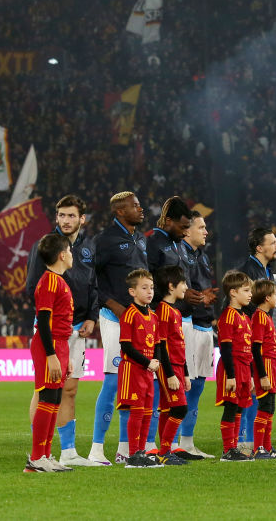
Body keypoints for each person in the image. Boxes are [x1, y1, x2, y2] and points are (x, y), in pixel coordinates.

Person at [24, 194, 100, 468]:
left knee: (65, 392)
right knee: (44, 392)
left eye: (71, 215)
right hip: (52, 334)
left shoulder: (89, 247)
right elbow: (34, 290)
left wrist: (92, 315)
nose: (66, 220)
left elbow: (94, 284)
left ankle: (62, 452)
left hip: (76, 329)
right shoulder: (47, 250)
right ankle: (37, 452)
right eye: (62, 215)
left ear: (82, 218)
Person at [89, 191, 147, 465]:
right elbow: (91, 278)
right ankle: (96, 449)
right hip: (115, 319)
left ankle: (125, 447)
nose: (141, 209)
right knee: (113, 381)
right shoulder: (105, 241)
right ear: (120, 212)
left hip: (138, 320)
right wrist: (112, 303)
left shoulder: (138, 238)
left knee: (134, 383)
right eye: (135, 206)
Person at [25, 233, 75, 473]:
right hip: (50, 345)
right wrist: (51, 354)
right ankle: (36, 459)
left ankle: (45, 455)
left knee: (55, 399)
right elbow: (43, 322)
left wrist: (66, 357)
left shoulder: (59, 281)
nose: (72, 255)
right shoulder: (50, 282)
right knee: (47, 398)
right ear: (62, 255)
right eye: (70, 251)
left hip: (60, 344)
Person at [177, 210, 217, 460]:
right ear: (187, 230)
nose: (205, 232)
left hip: (204, 326)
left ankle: (188, 442)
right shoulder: (178, 253)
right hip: (187, 324)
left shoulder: (201, 255)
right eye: (201, 227)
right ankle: (173, 443)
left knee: (198, 386)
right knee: (184, 384)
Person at [235, 226, 276, 454]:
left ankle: (253, 440)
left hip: (258, 334)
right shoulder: (246, 272)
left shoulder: (267, 270)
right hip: (250, 339)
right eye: (272, 243)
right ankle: (244, 440)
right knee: (251, 390)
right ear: (259, 248)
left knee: (257, 392)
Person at [116, 269, 163, 468]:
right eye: (144, 288)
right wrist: (147, 363)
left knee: (146, 412)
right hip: (133, 370)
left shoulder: (153, 315)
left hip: (147, 371)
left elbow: (158, 344)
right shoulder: (129, 314)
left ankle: (141, 452)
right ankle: (133, 454)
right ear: (132, 292)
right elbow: (126, 345)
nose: (149, 291)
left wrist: (157, 362)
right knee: (136, 412)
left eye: (151, 287)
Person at [215, 270, 256, 462]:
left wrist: (250, 375)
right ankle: (227, 450)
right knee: (231, 407)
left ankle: (234, 447)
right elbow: (225, 348)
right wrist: (231, 376)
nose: (250, 294)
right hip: (231, 369)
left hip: (243, 368)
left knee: (239, 407)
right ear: (233, 292)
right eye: (246, 290)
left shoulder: (245, 318)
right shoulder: (228, 316)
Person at [153, 265, 190, 466]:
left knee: (168, 409)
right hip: (169, 368)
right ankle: (165, 451)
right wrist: (170, 374)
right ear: (171, 286)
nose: (185, 287)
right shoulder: (163, 311)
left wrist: (184, 373)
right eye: (182, 283)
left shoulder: (174, 311)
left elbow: (179, 345)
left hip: (177, 367)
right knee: (180, 409)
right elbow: (162, 345)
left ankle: (164, 451)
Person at [250, 279, 276, 459]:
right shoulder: (258, 317)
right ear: (267, 297)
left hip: (271, 366)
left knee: (270, 407)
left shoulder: (266, 316)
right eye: (275, 294)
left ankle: (267, 447)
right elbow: (255, 349)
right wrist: (262, 376)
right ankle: (258, 448)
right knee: (264, 406)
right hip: (264, 367)